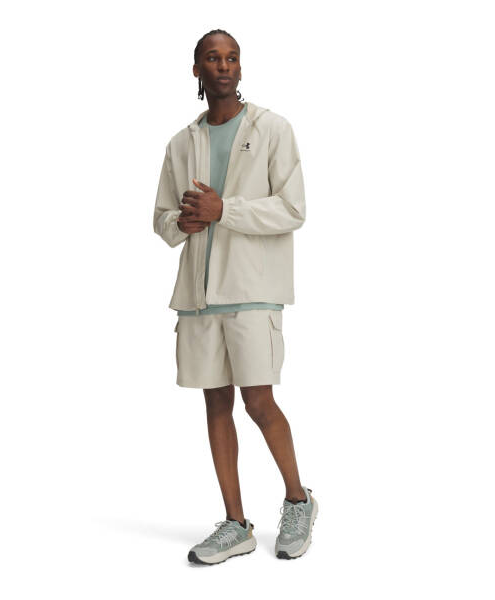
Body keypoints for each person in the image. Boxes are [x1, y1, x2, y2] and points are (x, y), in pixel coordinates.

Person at [153, 28, 318, 565]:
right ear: (197, 70)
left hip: (252, 291)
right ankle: (235, 523)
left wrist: (225, 210)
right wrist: (181, 223)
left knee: (258, 402)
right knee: (216, 403)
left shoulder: (272, 129)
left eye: (231, 58)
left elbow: (293, 209)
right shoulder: (182, 143)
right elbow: (162, 217)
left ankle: (298, 501)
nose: (223, 66)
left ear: (240, 68)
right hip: (198, 296)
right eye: (212, 58)